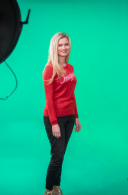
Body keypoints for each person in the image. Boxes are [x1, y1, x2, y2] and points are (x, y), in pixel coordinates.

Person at [42, 32, 81, 195]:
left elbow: (71, 94)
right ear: (54, 47)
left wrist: (77, 116)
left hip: (70, 117)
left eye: (66, 44)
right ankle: (48, 191)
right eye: (60, 45)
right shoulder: (50, 69)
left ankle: (57, 188)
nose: (64, 47)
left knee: (61, 154)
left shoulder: (70, 67)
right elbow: (49, 99)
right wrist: (54, 123)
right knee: (57, 156)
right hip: (55, 117)